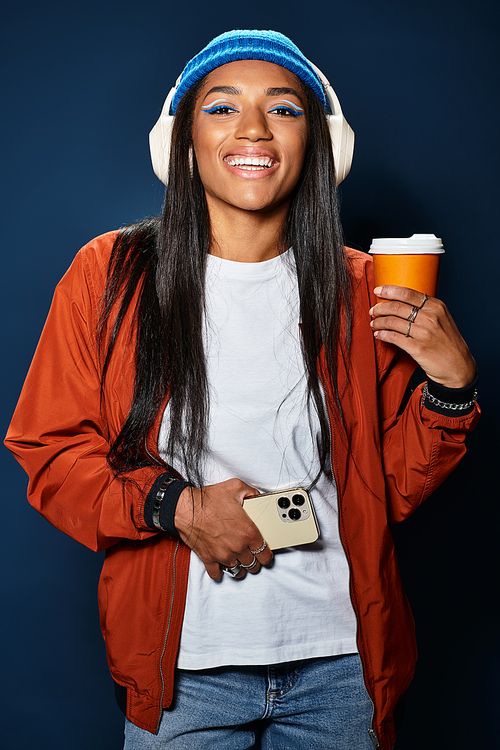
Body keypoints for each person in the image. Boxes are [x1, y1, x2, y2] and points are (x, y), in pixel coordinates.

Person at [5, 29, 479, 750]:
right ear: (184, 142)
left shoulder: (363, 289)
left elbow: (382, 488)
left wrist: (450, 389)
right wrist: (177, 505)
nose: (253, 128)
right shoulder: (110, 274)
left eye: (283, 110)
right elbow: (50, 453)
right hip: (181, 676)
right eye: (222, 108)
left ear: (318, 145)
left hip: (342, 670)